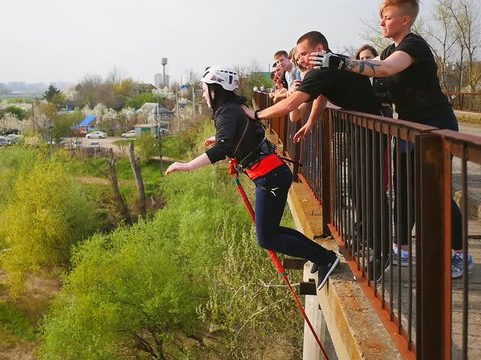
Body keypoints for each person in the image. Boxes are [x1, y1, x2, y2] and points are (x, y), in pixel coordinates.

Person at [310, 0, 471, 278]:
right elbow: (373, 73)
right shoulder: (388, 50)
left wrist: (340, 62)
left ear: (405, 19)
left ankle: (460, 254)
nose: (382, 22)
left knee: (437, 193)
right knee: (404, 191)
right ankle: (402, 249)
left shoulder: (414, 45)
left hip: (434, 129)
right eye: (381, 18)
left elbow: (384, 69)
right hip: (408, 129)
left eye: (387, 17)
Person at [165, 66, 339, 290]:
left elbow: (224, 147)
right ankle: (321, 256)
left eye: (204, 89)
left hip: (271, 177)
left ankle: (325, 259)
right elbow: (242, 132)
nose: (203, 94)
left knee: (266, 237)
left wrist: (188, 165)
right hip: (270, 175)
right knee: (270, 231)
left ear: (215, 90)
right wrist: (217, 137)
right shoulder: (233, 108)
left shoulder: (226, 111)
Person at [248, 31, 390, 281]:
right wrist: (311, 123)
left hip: (372, 132)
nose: (300, 59)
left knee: (370, 191)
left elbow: (292, 105)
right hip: (361, 131)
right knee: (358, 189)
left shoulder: (323, 69)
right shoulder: (332, 65)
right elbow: (322, 96)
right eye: (299, 55)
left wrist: (256, 116)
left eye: (304, 53)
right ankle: (366, 236)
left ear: (320, 48)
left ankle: (382, 253)